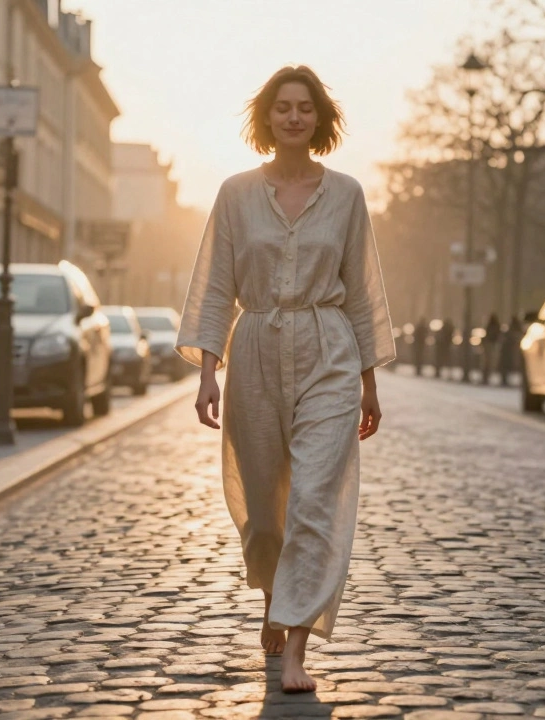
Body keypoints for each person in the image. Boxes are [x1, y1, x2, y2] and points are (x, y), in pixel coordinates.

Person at [175, 65, 395, 693]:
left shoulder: (347, 194)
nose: (294, 117)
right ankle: (275, 591)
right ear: (266, 118)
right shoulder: (235, 193)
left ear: (320, 119)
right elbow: (217, 286)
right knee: (266, 509)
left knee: (313, 502)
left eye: (305, 108)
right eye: (283, 107)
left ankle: (297, 641)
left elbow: (362, 289)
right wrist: (207, 374)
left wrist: (369, 382)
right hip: (255, 353)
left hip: (328, 348)